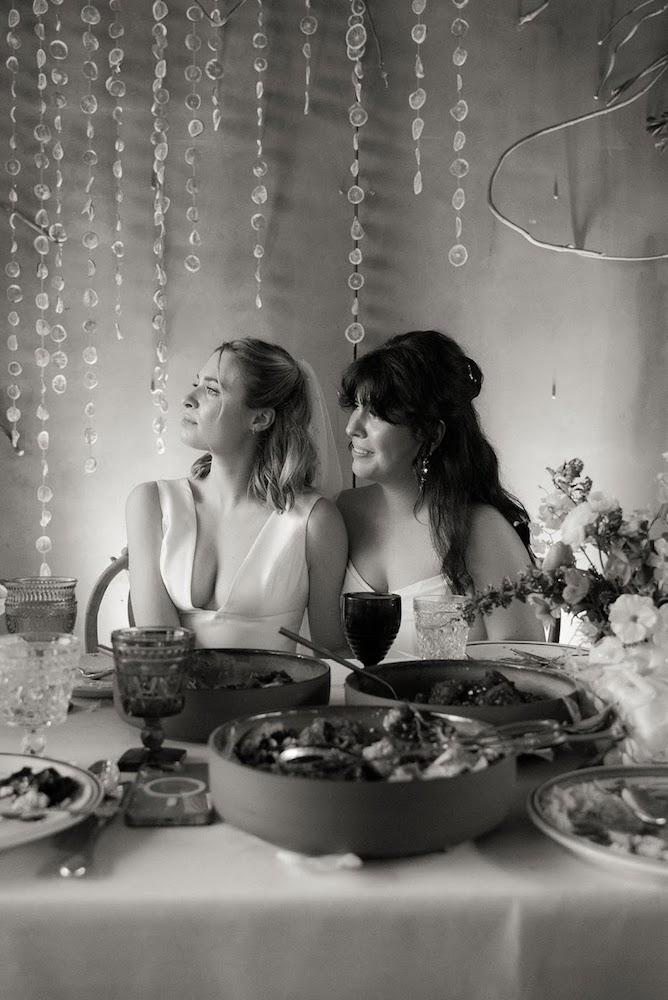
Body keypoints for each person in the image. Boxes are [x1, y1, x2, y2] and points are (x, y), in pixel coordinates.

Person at [126, 337, 348, 651]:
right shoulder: (151, 503)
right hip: (173, 682)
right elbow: (158, 650)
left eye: (212, 390)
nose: (188, 399)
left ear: (259, 418)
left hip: (279, 685)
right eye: (196, 384)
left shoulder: (314, 521)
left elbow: (330, 652)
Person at [336, 329, 544, 656]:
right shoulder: (343, 512)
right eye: (357, 406)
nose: (352, 427)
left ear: (430, 435)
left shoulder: (481, 529)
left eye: (376, 413)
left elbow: (526, 662)